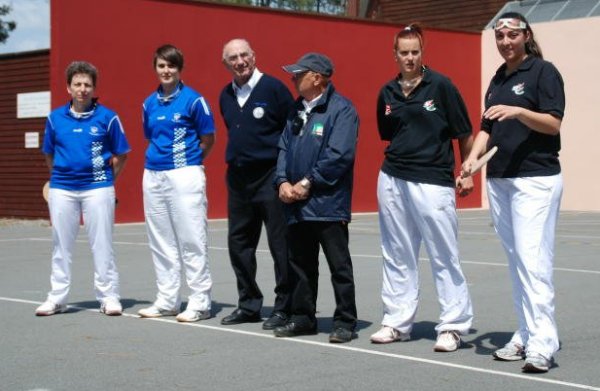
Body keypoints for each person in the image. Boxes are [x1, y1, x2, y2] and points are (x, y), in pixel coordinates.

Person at [462, 12, 565, 373]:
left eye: (511, 35)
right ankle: (525, 334)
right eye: (500, 36)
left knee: (533, 263)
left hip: (535, 179)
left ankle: (543, 343)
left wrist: (520, 111)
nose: (505, 42)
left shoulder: (543, 72)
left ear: (525, 36)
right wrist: (471, 162)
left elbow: (553, 123)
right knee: (517, 262)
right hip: (500, 180)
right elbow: (487, 128)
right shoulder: (497, 79)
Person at [370, 24, 474, 352]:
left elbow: (464, 133)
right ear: (395, 55)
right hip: (392, 178)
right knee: (397, 253)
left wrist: (467, 170)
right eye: (404, 52)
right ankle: (397, 321)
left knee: (443, 255)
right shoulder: (387, 92)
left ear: (422, 52)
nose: (410, 58)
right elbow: (390, 134)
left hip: (433, 181)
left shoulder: (441, 86)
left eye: (415, 51)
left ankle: (452, 326)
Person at [273, 53, 359, 344]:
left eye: (298, 74)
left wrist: (308, 182)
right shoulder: (295, 109)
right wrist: (283, 182)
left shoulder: (342, 110)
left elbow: (339, 155)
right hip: (296, 204)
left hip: (328, 204)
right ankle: (302, 318)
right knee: (299, 264)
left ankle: (345, 321)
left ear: (317, 78)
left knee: (339, 266)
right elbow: (283, 147)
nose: (293, 79)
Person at [36, 61, 130, 317]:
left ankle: (109, 296)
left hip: (98, 188)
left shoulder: (108, 117)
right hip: (62, 189)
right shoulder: (54, 118)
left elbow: (122, 154)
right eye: (77, 84)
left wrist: (108, 180)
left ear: (93, 88)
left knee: (102, 244)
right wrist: (60, 177)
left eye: (87, 84)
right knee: (61, 245)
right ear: (68, 87)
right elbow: (49, 155)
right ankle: (57, 298)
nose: (82, 89)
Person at [219, 39, 295, 330]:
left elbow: (292, 131)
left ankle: (284, 307)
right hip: (238, 180)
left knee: (280, 245)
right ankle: (248, 304)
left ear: (254, 55)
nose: (240, 61)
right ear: (226, 64)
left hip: (270, 177)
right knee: (239, 244)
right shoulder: (226, 94)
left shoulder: (274, 89)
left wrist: (284, 174)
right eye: (233, 58)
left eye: (244, 55)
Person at [138, 44, 215, 323]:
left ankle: (200, 302)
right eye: (161, 66)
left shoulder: (195, 101)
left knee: (192, 239)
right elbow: (151, 136)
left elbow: (208, 139)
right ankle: (168, 300)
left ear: (180, 69)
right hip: (153, 175)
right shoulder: (148, 103)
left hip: (185, 175)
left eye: (171, 65)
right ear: (155, 69)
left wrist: (190, 163)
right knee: (161, 241)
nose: (166, 70)